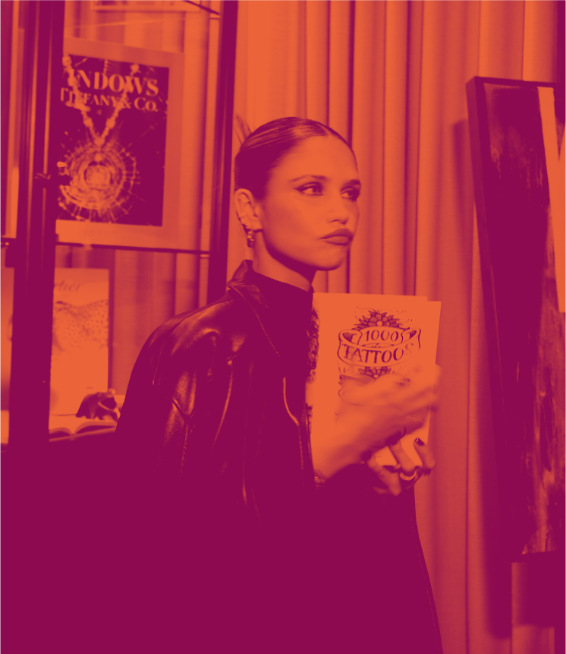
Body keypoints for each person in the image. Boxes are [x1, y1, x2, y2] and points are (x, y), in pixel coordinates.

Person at [114, 117, 443, 653]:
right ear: (250, 209)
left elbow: (341, 541)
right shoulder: (200, 342)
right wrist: (339, 445)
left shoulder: (343, 334)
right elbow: (162, 543)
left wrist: (381, 487)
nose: (342, 211)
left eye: (351, 192)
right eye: (311, 189)